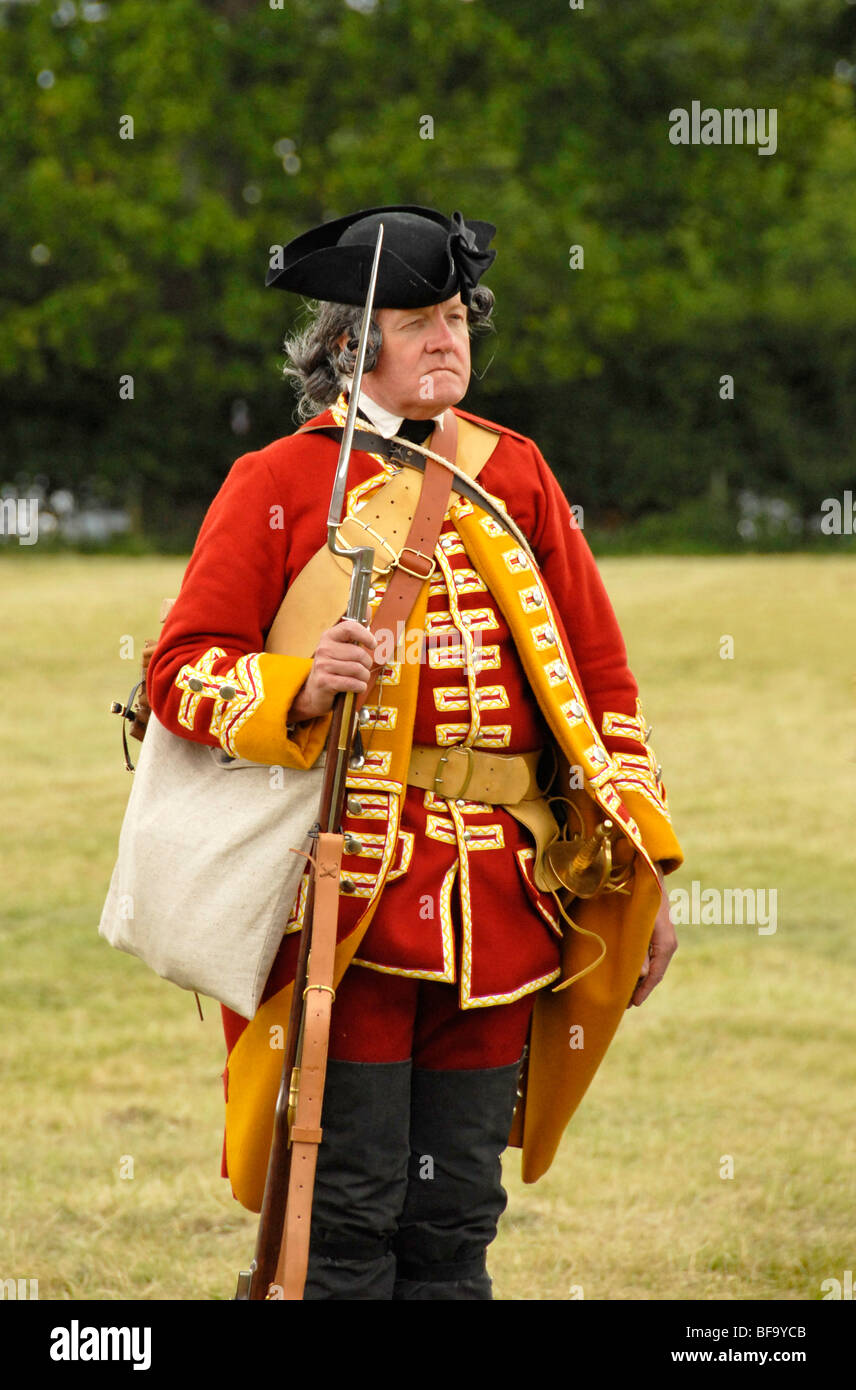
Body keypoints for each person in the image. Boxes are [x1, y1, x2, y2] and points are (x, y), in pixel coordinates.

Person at [146, 205, 683, 1300]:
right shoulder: (278, 483)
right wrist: (297, 685)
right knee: (344, 1212)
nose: (449, 339)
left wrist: (641, 866)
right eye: (418, 319)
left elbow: (602, 689)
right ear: (351, 344)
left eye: (457, 318)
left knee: (454, 1221)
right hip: (345, 911)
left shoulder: (516, 473)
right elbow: (181, 670)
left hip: (504, 905)